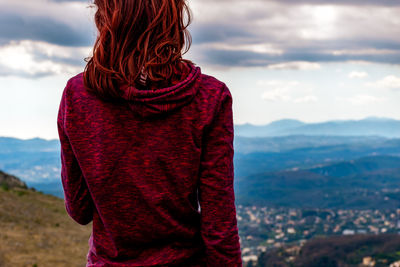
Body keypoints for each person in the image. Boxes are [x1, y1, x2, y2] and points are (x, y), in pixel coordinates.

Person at [56, 0, 243, 266]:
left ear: (108, 21)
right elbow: (219, 225)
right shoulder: (209, 97)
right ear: (172, 21)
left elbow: (79, 209)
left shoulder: (78, 95)